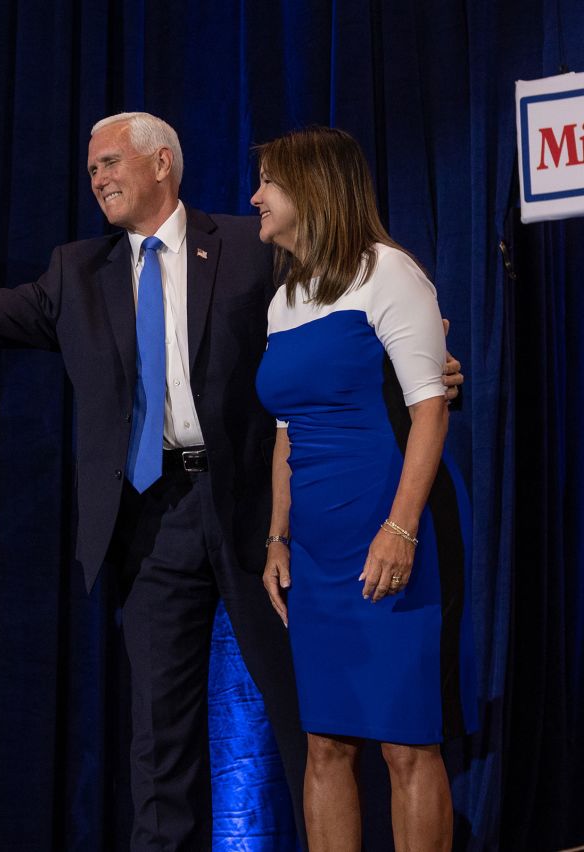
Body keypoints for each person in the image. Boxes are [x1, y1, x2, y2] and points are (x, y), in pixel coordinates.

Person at [0, 112, 463, 849]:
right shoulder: (78, 274)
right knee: (160, 737)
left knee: (315, 719)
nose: (98, 179)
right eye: (91, 171)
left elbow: (352, 321)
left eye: (111, 162)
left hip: (255, 508)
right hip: (150, 517)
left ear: (161, 166)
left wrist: (426, 378)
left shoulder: (250, 248)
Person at [251, 126, 476, 851]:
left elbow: (430, 410)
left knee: (406, 744)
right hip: (316, 550)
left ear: (312, 190)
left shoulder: (389, 273)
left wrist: (401, 528)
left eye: (269, 183)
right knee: (325, 743)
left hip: (391, 528)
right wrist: (279, 537)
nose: (256, 197)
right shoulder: (283, 300)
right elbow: (287, 432)